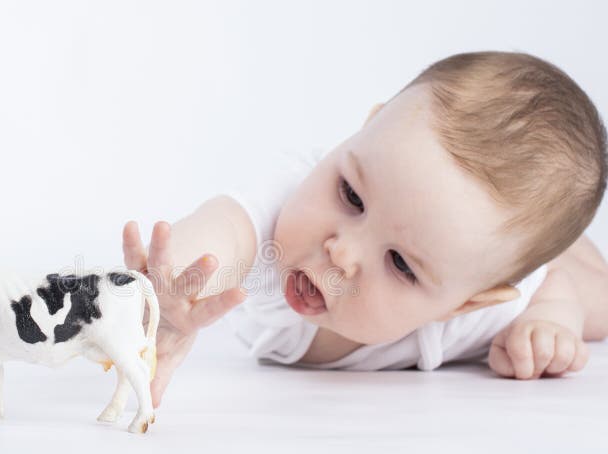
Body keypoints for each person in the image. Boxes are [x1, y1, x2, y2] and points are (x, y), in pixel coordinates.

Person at [120, 51, 608, 408]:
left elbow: (547, 288)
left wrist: (551, 324)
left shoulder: (478, 307)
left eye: (399, 263)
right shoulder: (285, 205)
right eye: (351, 195)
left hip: (561, 266)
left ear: (463, 304)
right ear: (362, 132)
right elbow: (224, 227)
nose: (340, 253)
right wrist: (167, 295)